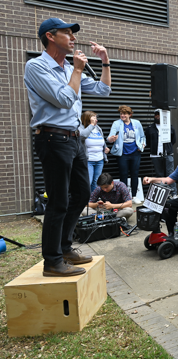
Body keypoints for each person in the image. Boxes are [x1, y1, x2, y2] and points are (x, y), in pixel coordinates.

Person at [25, 18, 111, 276]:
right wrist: (76, 70)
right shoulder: (37, 66)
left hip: (74, 139)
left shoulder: (68, 68)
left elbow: (104, 90)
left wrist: (104, 60)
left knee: (83, 193)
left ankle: (64, 248)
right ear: (50, 37)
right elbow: (63, 99)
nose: (73, 38)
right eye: (67, 33)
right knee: (58, 201)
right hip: (52, 138)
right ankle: (52, 261)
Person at [107, 105, 146, 204]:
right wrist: (112, 139)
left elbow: (142, 136)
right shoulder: (116, 123)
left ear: (130, 114)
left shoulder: (137, 123)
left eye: (124, 114)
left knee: (135, 174)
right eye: (121, 114)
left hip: (135, 153)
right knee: (123, 174)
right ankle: (124, 197)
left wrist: (142, 145)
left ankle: (134, 196)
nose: (122, 116)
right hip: (122, 153)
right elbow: (109, 138)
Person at [145, 109, 177, 197]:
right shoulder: (150, 128)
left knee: (170, 173)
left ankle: (173, 193)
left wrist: (168, 148)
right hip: (155, 155)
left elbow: (173, 140)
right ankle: (163, 195)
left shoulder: (169, 127)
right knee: (159, 175)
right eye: (156, 115)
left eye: (159, 115)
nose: (157, 117)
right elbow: (148, 141)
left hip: (168, 153)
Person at [79, 111, 109, 193]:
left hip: (99, 159)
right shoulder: (81, 127)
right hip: (88, 160)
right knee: (88, 181)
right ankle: (85, 201)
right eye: (94, 118)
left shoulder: (98, 128)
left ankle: (93, 199)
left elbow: (102, 140)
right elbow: (82, 136)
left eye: (96, 118)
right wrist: (91, 125)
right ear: (87, 118)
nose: (96, 120)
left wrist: (105, 148)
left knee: (96, 181)